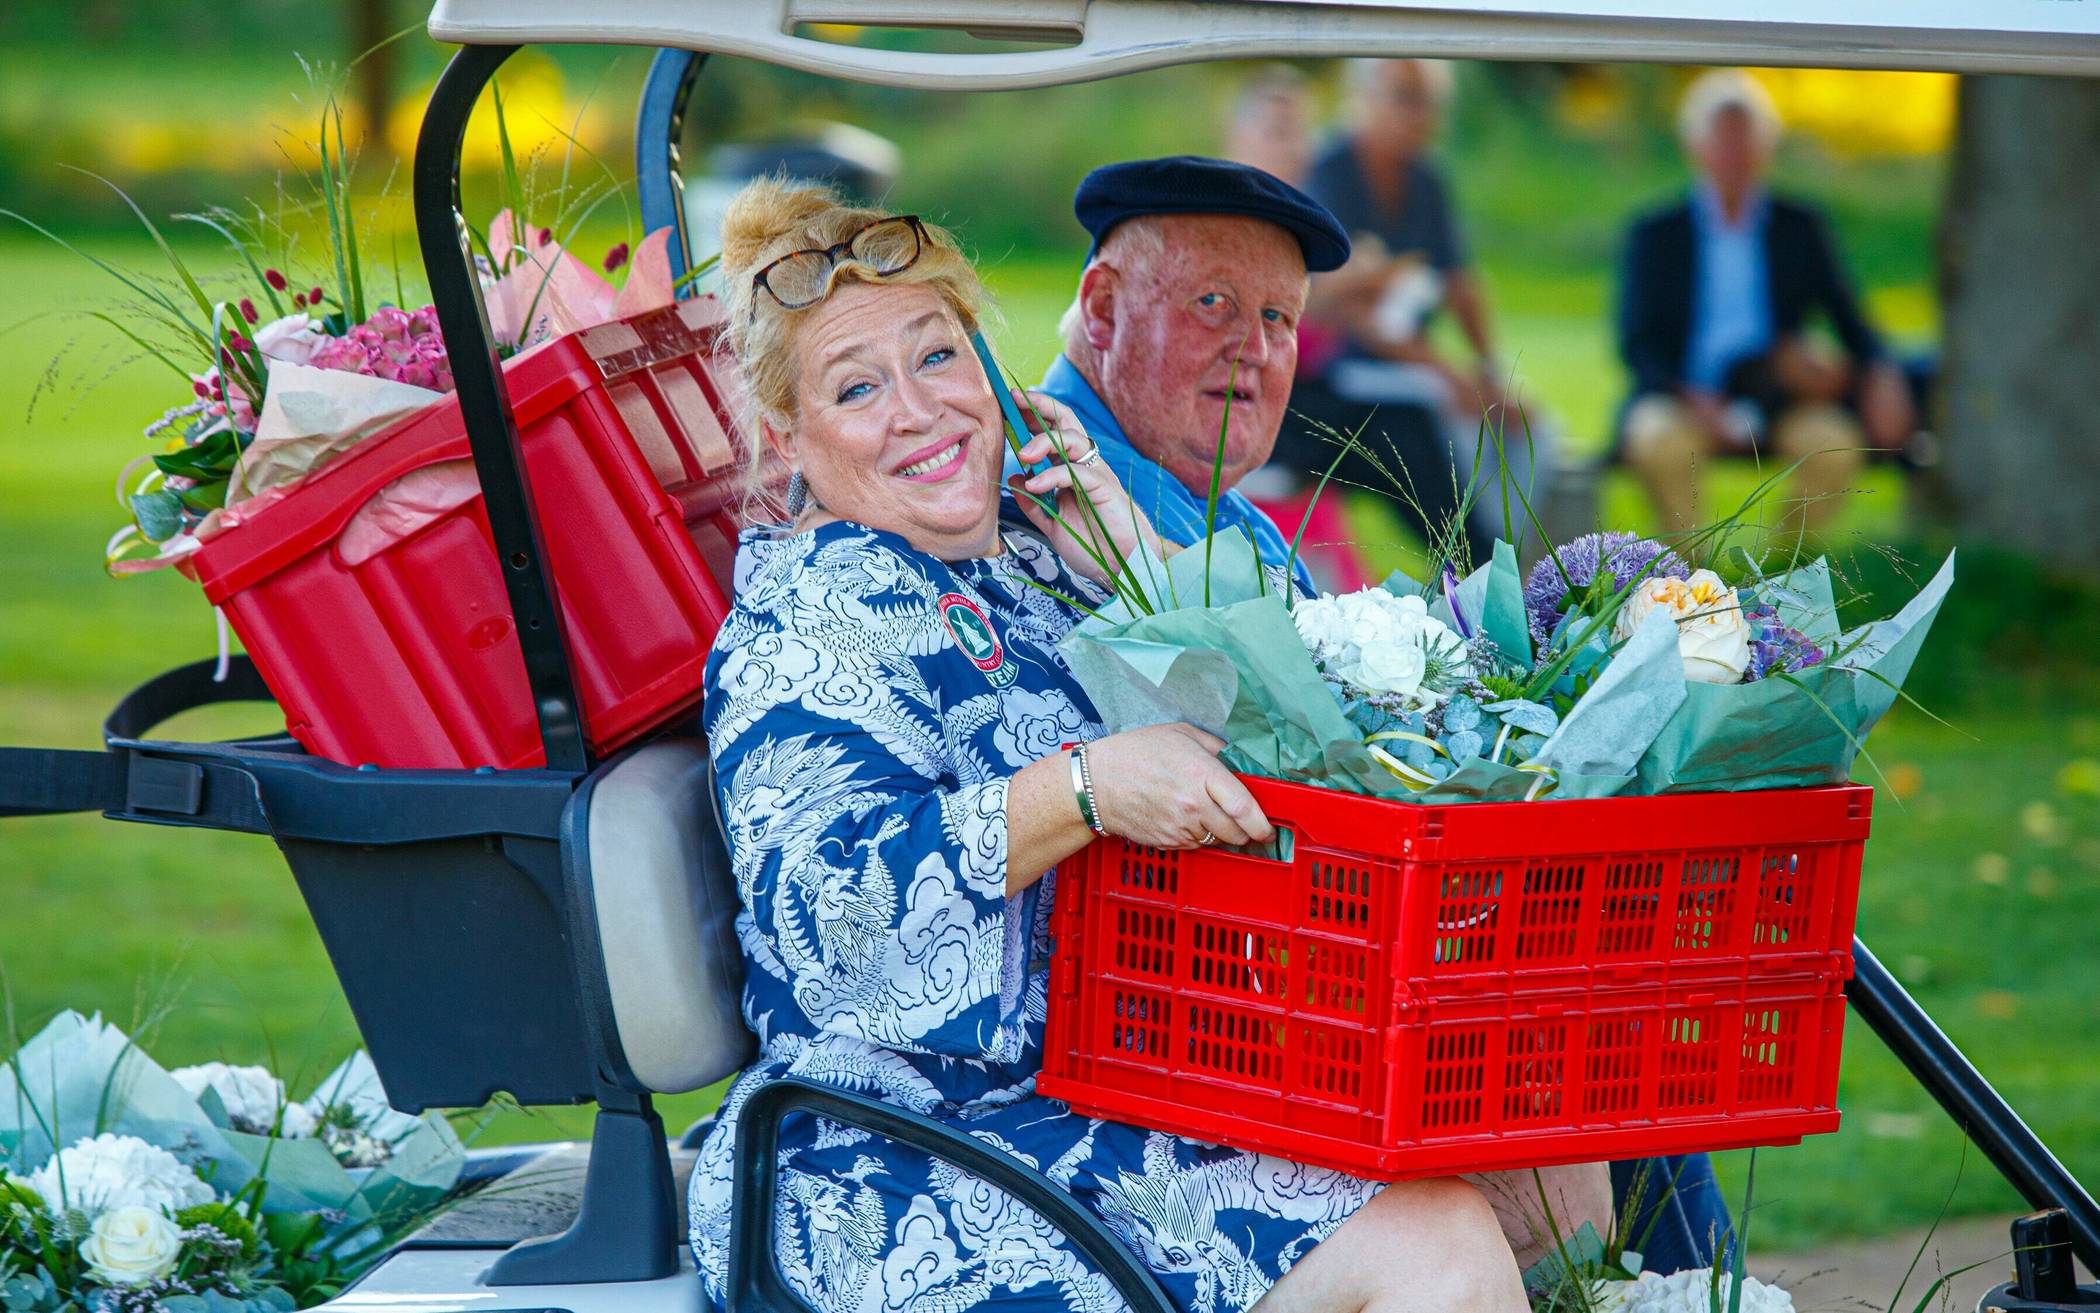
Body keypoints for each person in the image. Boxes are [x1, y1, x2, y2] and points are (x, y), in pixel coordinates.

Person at [688, 176, 1613, 1313]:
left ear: (992, 370)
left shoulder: (1029, 555)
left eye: (937, 356)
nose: (921, 410)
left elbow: (1279, 720)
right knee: (1441, 1244)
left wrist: (1128, 551)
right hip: (911, 1145)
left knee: (1550, 1175)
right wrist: (1081, 790)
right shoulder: (803, 627)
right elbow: (840, 933)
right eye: (857, 387)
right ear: (788, 437)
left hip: (1126, 1069)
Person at [1036, 152, 1736, 1281]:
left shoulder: (1223, 512)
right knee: (1597, 1057)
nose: (1254, 348)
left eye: (1279, 318)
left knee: (1611, 1029)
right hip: (1193, 1009)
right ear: (1105, 309)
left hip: (1305, 963)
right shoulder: (1051, 489)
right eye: (1212, 303)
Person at [1616, 69, 1916, 536]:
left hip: (1778, 399)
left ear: (1766, 147)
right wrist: (1692, 399)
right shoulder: (1657, 233)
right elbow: (1637, 341)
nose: (1735, 154)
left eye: (1745, 139)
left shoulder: (1799, 227)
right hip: (1680, 397)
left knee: (1834, 445)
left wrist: (1882, 373)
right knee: (1658, 442)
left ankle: (1780, 571)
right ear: (1696, 146)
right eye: (1723, 139)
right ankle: (1687, 570)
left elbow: (1851, 320)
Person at [1297, 58, 1549, 552]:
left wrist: (1490, 371)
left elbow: (1459, 282)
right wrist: (1450, 376)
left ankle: (1510, 556)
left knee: (1530, 426)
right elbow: (1344, 308)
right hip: (1342, 373)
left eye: (1429, 102)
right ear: (1363, 99)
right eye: (1405, 98)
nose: (1419, 115)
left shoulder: (1426, 179)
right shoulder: (1331, 172)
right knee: (1452, 423)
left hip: (1411, 364)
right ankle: (1480, 562)